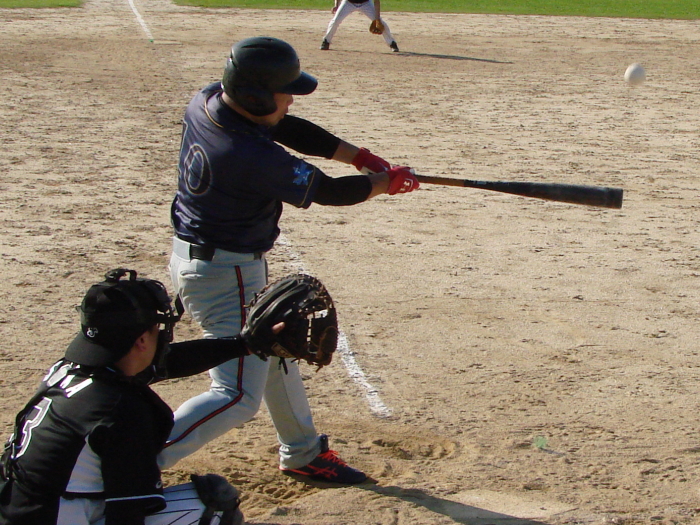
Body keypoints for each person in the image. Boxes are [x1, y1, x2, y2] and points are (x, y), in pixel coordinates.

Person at [165, 36, 418, 484]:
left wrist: (358, 156)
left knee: (274, 348)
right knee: (236, 394)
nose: (290, 100)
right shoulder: (246, 154)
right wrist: (385, 183)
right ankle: (129, 464)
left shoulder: (208, 101)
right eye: (284, 93)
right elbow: (329, 192)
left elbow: (286, 126)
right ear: (257, 97)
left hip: (214, 259)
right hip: (224, 272)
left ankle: (302, 452)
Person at [0, 268, 251, 525]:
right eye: (157, 328)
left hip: (21, 505)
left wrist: (244, 345)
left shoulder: (70, 370)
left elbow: (168, 363)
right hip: (58, 514)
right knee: (215, 505)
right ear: (142, 340)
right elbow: (127, 515)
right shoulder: (121, 409)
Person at [320, 0, 399, 52]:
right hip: (348, 3)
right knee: (335, 21)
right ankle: (326, 41)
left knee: (381, 23)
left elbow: (376, 1)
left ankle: (392, 43)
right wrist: (337, 5)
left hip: (366, 3)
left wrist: (377, 18)